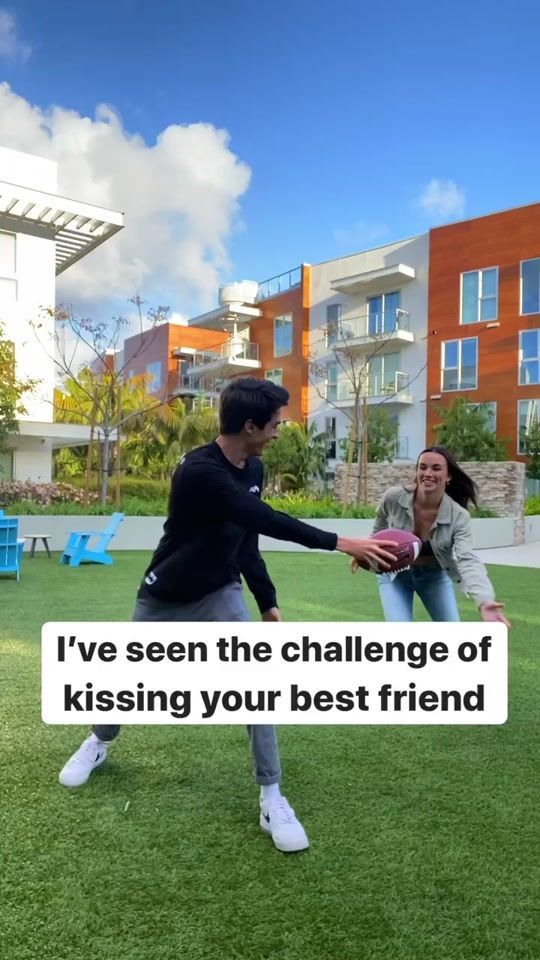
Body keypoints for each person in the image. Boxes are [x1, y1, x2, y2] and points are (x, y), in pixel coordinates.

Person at [59, 377, 398, 854]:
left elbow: (246, 541)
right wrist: (343, 542)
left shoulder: (253, 466)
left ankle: (271, 795)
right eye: (276, 423)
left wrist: (268, 604)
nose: (281, 430)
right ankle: (99, 740)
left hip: (221, 592)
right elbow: (262, 518)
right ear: (250, 425)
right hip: (168, 594)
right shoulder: (198, 470)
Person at [353, 445, 510, 627]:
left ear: (448, 476)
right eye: (423, 467)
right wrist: (367, 551)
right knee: (400, 637)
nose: (428, 473)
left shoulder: (458, 516)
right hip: (394, 576)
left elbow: (466, 559)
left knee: (453, 637)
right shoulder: (393, 497)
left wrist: (484, 600)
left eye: (436, 468)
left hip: (433, 577)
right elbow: (380, 529)